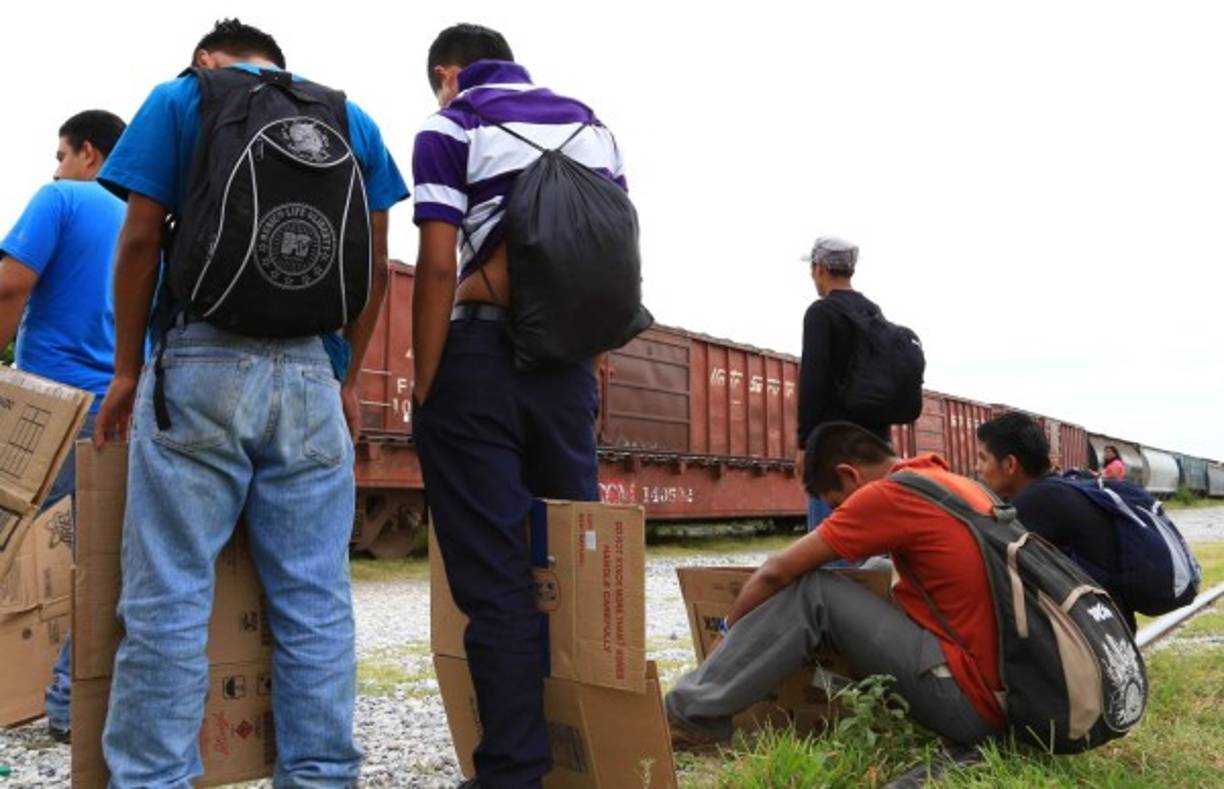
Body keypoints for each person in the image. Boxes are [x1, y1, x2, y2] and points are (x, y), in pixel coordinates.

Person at [92, 19, 407, 786]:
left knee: (169, 595)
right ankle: (323, 776)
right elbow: (370, 266)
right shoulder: (346, 115)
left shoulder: (183, 99)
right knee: (315, 601)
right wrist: (344, 374)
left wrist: (128, 368)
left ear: (207, 56)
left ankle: (155, 778)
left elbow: (137, 242)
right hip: (308, 371)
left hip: (199, 361)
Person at [410, 23, 626, 788]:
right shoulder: (591, 126)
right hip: (567, 367)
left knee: (498, 580)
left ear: (447, 72)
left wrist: (426, 378)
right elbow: (608, 264)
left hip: (478, 359)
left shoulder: (452, 125)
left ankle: (514, 771)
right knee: (573, 562)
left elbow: (437, 266)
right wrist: (590, 373)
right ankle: (592, 755)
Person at [666, 422, 1004, 769]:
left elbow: (774, 573)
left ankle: (690, 718)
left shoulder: (891, 494)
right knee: (875, 567)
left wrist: (725, 633)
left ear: (850, 474)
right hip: (1004, 699)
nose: (839, 513)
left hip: (969, 705)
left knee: (815, 591)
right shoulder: (952, 484)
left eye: (836, 504)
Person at [0, 108, 126, 743]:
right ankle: (68, 704)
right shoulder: (146, 219)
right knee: (100, 563)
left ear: (90, 155)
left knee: (10, 540)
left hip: (45, 406)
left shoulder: (61, 198)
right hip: (114, 412)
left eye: (62, 153)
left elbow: (10, 285)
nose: (56, 166)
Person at [976, 412, 1137, 631]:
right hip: (1110, 628)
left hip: (1090, 638)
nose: (978, 468)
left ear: (1010, 464)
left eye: (983, 458)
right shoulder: (1056, 490)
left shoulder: (1035, 503)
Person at [796, 237, 892, 531]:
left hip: (833, 449)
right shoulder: (874, 312)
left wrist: (804, 445)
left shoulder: (821, 313)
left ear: (820, 268)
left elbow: (813, 381)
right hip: (877, 449)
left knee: (834, 542)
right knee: (873, 541)